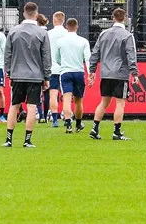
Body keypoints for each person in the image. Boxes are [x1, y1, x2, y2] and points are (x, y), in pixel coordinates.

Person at [4, 2, 51, 148]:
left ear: (24, 13)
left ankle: (9, 139)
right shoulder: (42, 33)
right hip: (35, 76)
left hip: (17, 74)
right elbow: (46, 57)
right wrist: (47, 76)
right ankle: (27, 140)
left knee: (14, 106)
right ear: (36, 15)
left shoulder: (13, 31)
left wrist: (9, 71)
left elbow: (7, 54)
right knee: (32, 107)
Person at [89, 7, 139, 140]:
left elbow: (95, 53)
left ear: (113, 18)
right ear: (125, 18)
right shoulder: (127, 36)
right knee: (120, 103)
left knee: (104, 102)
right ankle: (116, 132)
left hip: (105, 73)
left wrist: (92, 70)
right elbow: (131, 55)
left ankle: (95, 128)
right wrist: (134, 73)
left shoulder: (103, 34)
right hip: (120, 74)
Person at [54, 17, 91, 134]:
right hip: (79, 72)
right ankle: (78, 123)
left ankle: (68, 124)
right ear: (77, 27)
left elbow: (57, 58)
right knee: (78, 101)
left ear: (66, 27)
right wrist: (90, 73)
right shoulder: (83, 41)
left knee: (66, 99)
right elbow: (87, 59)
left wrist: (64, 64)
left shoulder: (60, 41)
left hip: (65, 72)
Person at [46, 11, 68, 127]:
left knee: (53, 94)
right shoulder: (67, 33)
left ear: (54, 20)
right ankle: (66, 116)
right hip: (65, 68)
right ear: (63, 20)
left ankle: (55, 119)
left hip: (52, 68)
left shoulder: (48, 34)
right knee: (66, 95)